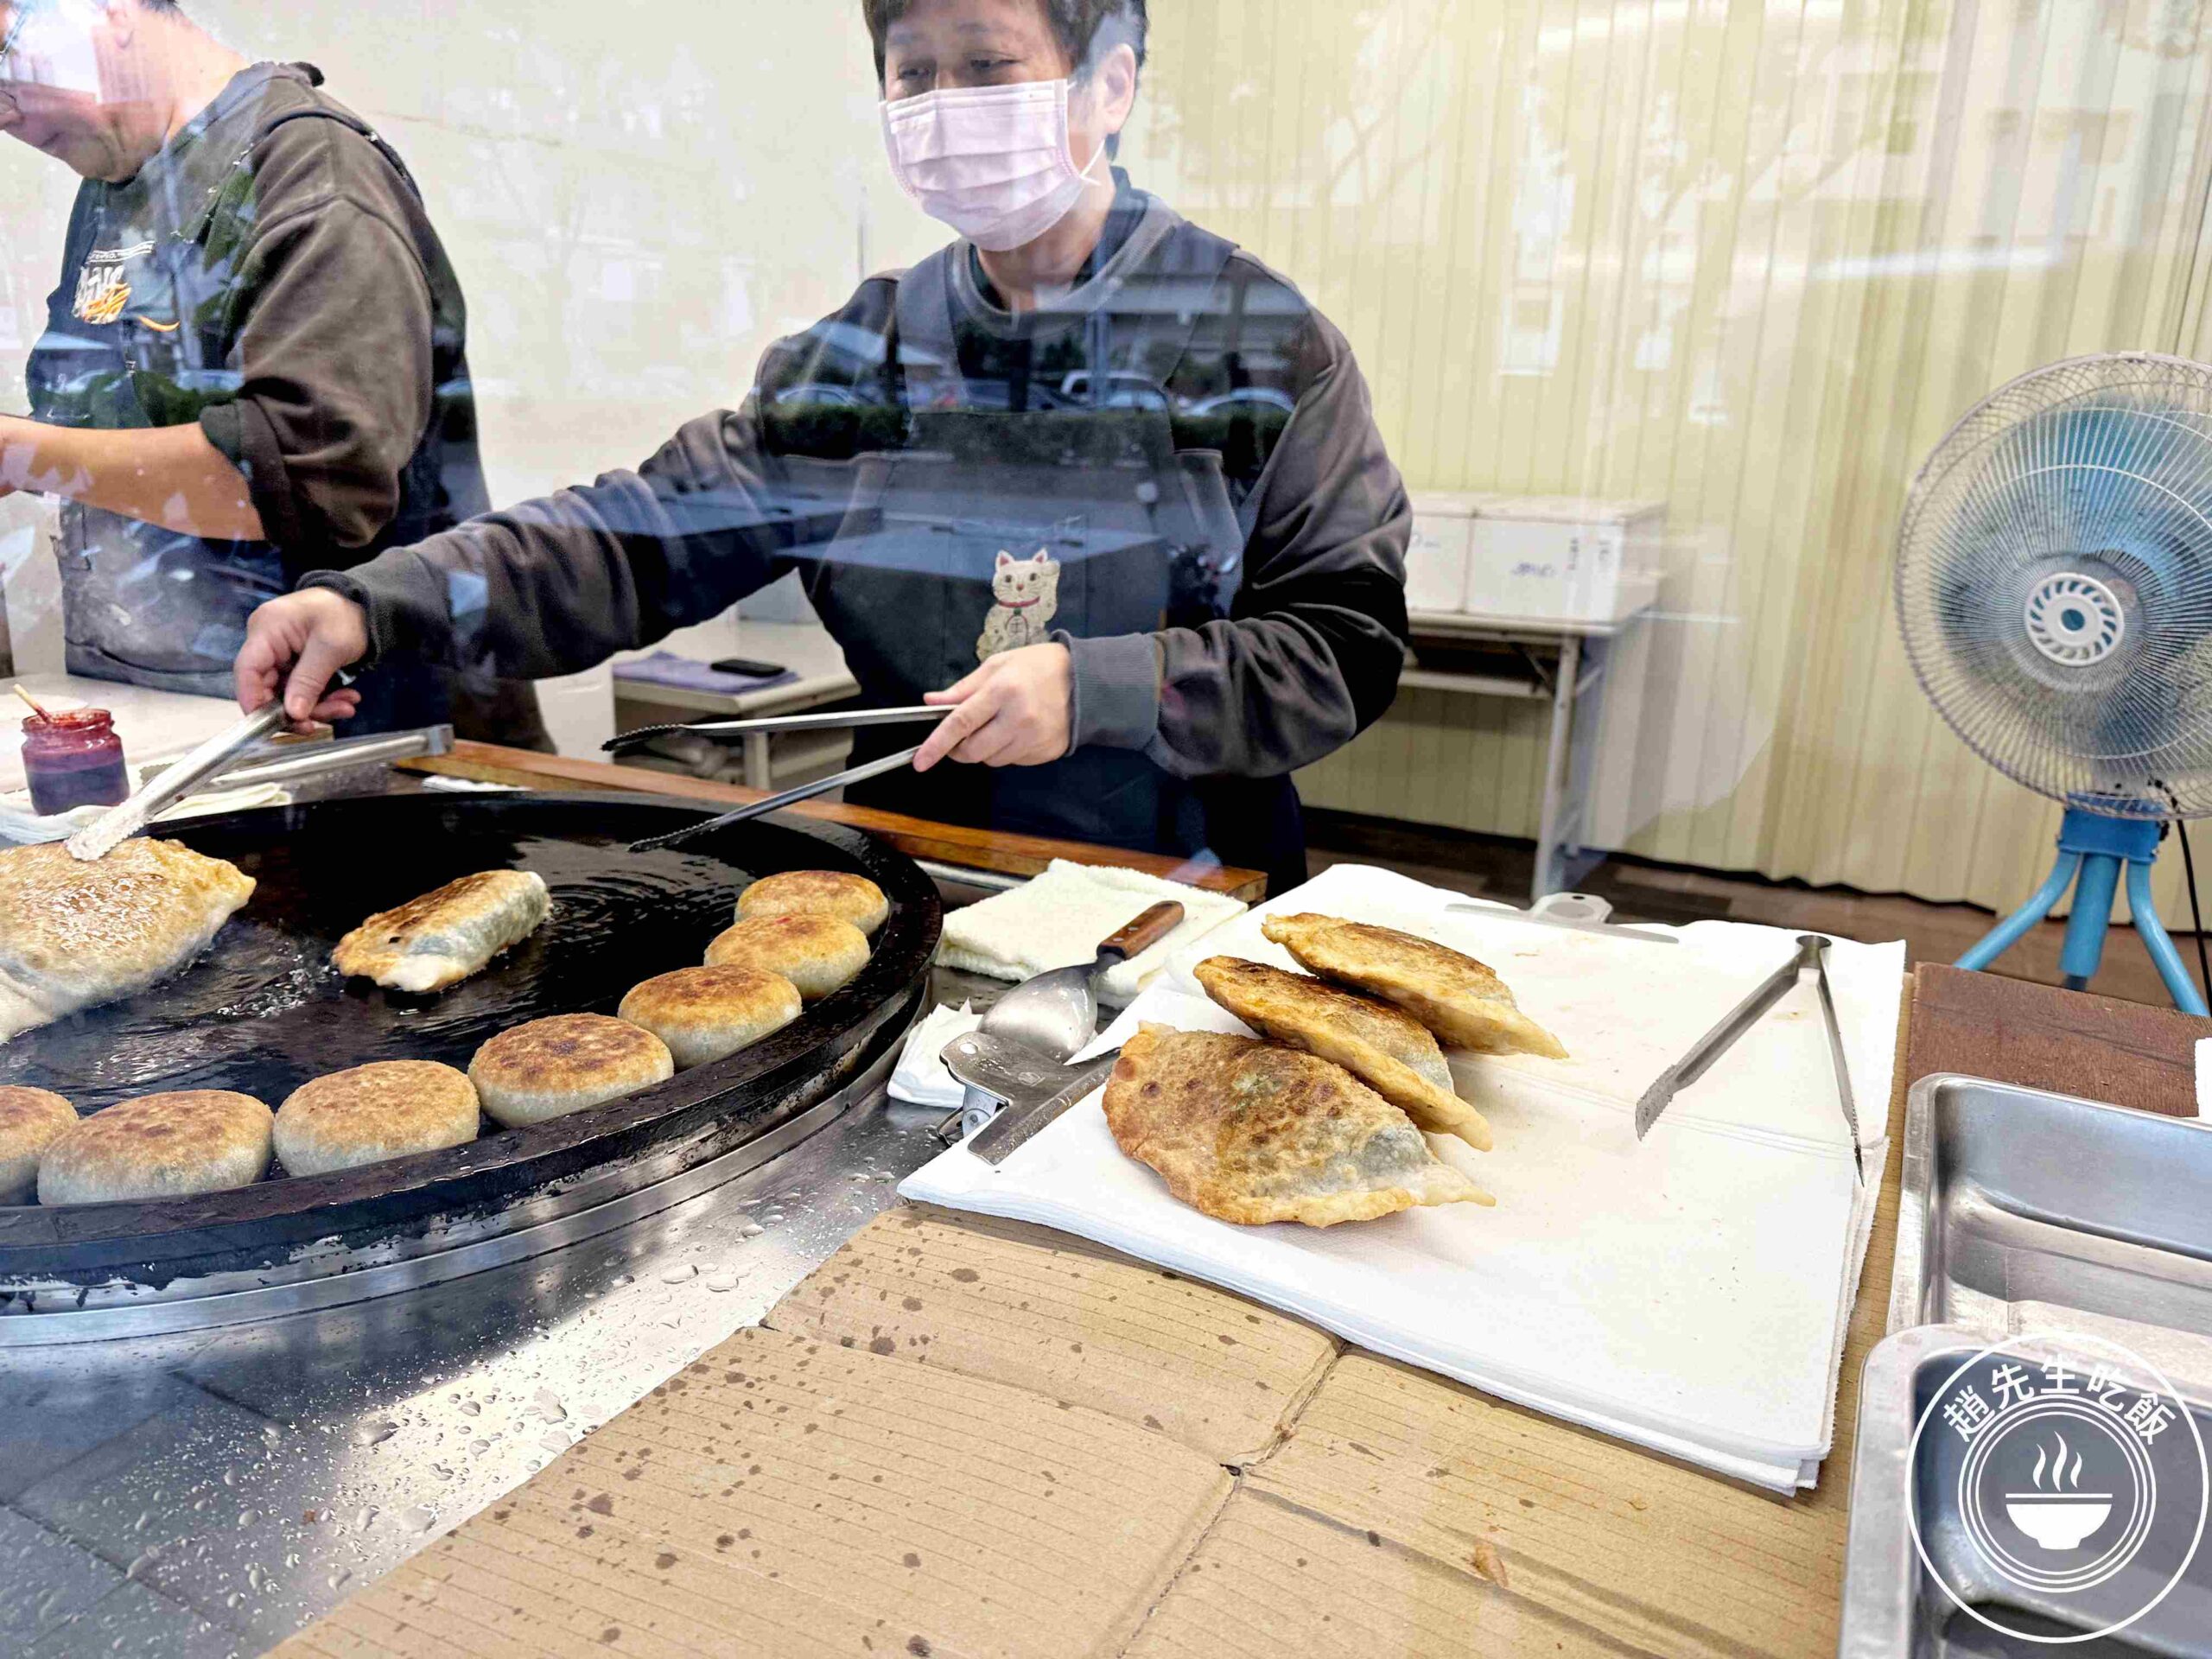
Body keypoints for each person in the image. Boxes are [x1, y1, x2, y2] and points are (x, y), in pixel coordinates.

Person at [238, 0, 1408, 890]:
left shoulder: (1256, 344)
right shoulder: (865, 356)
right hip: (926, 868)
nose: (947, 103)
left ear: (1109, 84)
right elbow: (637, 536)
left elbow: (1342, 647)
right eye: (916, 75)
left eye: (987, 66)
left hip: (1180, 888)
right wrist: (378, 602)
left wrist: (1101, 685)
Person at [0, 0, 543, 741]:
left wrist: (21, 452)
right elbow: (94, 433)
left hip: (360, 732)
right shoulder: (116, 187)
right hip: (178, 722)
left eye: (5, 61)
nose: (4, 113)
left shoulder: (309, 169)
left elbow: (311, 478)